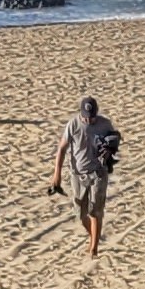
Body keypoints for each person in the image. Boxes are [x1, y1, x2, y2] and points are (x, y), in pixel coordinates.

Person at [52, 93, 124, 261]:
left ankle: (94, 249)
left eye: (91, 117)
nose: (88, 120)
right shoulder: (73, 125)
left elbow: (115, 140)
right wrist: (57, 175)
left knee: (95, 211)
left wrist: (111, 147)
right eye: (85, 117)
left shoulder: (105, 124)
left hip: (98, 173)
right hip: (77, 174)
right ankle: (94, 235)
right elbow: (62, 149)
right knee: (80, 213)